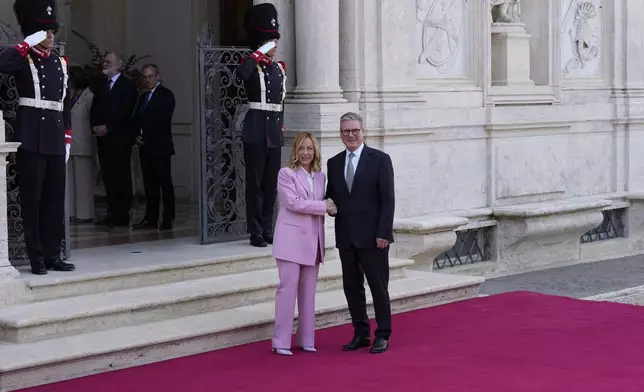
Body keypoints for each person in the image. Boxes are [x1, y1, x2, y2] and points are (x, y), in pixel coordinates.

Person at [0, 0, 75, 275]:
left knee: (54, 200)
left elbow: (65, 103)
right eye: (44, 32)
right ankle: (37, 259)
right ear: (34, 33)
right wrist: (24, 44)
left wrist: (67, 137)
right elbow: (1, 65)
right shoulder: (23, 59)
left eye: (52, 32)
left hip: (54, 137)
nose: (51, 37)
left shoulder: (60, 63)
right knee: (32, 199)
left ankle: (54, 254)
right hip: (31, 137)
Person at [325, 112, 395, 354]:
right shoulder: (333, 163)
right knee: (352, 288)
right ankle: (361, 332)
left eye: (355, 130)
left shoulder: (379, 159)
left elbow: (388, 200)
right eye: (346, 131)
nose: (351, 135)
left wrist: (384, 233)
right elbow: (331, 195)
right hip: (346, 237)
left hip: (374, 238)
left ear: (363, 131)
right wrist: (330, 207)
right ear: (340, 134)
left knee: (378, 287)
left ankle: (383, 334)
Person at [271, 133, 336, 356]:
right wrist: (323, 206)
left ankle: (307, 339)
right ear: (295, 151)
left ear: (315, 151)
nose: (306, 153)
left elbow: (326, 203)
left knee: (309, 293)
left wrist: (332, 207)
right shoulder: (286, 173)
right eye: (302, 148)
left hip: (313, 242)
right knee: (287, 291)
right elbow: (293, 203)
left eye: (310, 148)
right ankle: (281, 341)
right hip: (290, 242)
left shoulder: (320, 176)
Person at [236, 3, 287, 248]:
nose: (274, 48)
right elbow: (241, 74)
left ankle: (268, 228)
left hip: (273, 133)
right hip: (256, 130)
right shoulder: (252, 65)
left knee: (270, 185)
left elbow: (281, 103)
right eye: (270, 43)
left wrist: (282, 131)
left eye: (275, 44)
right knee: (254, 185)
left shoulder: (279, 69)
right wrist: (259, 51)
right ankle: (255, 231)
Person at [89, 51, 138, 227]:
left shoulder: (127, 86)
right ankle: (112, 212)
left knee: (121, 176)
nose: (104, 64)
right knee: (108, 177)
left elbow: (126, 111)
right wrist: (94, 126)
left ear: (119, 65)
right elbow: (94, 109)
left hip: (120, 139)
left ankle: (123, 214)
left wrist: (108, 127)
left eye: (108, 61)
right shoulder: (101, 85)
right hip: (103, 140)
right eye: (104, 61)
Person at [132, 63, 176, 231]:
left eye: (150, 76)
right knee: (149, 185)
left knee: (165, 183)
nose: (148, 80)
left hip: (160, 147)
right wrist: (136, 136)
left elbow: (162, 120)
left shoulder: (166, 95)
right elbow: (136, 119)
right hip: (145, 148)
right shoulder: (142, 98)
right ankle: (150, 218)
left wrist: (146, 136)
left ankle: (167, 218)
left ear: (157, 76)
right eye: (144, 77)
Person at [66, 66, 96, 222]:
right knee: (70, 182)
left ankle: (85, 214)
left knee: (83, 182)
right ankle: (71, 212)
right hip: (70, 143)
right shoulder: (71, 95)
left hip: (83, 142)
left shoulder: (89, 96)